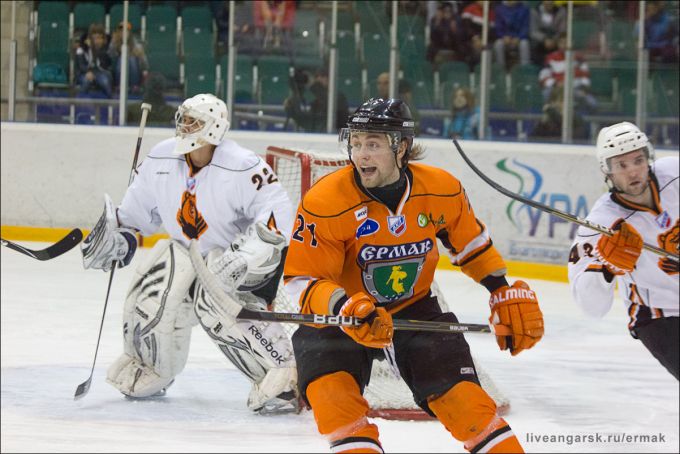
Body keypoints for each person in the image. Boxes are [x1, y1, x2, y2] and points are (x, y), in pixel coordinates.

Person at [284, 98, 545, 453]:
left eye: (373, 144)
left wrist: (500, 289)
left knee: (469, 408)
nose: (361, 155)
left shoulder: (441, 188)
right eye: (356, 143)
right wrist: (346, 306)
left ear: (402, 147)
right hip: (341, 315)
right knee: (335, 404)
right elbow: (303, 279)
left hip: (414, 307)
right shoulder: (326, 201)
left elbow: (471, 245)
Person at [80, 93, 300, 414]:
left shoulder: (243, 165)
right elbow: (135, 213)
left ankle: (281, 374)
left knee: (215, 303)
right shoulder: (161, 157)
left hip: (234, 261)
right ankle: (154, 367)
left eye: (194, 121)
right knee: (151, 288)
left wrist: (248, 256)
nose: (184, 126)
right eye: (183, 119)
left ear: (214, 128)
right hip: (186, 254)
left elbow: (277, 213)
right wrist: (121, 238)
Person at [568, 122, 679, 380]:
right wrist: (607, 268)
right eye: (621, 165)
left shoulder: (675, 173)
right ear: (606, 171)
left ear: (649, 158)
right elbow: (591, 307)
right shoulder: (601, 224)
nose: (633, 171)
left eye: (638, 160)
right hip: (659, 315)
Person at [108, 21, 149, 94]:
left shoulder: (135, 42)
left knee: (132, 59)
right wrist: (114, 43)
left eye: (126, 31)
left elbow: (143, 59)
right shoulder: (114, 41)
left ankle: (134, 86)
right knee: (121, 59)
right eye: (121, 30)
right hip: (117, 69)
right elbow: (110, 55)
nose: (123, 33)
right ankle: (119, 85)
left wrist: (145, 69)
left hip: (134, 71)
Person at [75, 23, 113, 98]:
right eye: (94, 38)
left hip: (101, 72)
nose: (97, 41)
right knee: (86, 81)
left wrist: (95, 51)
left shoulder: (106, 49)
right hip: (84, 73)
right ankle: (79, 101)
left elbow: (104, 65)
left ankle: (110, 100)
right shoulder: (81, 49)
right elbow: (81, 65)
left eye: (99, 38)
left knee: (105, 81)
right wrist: (88, 72)